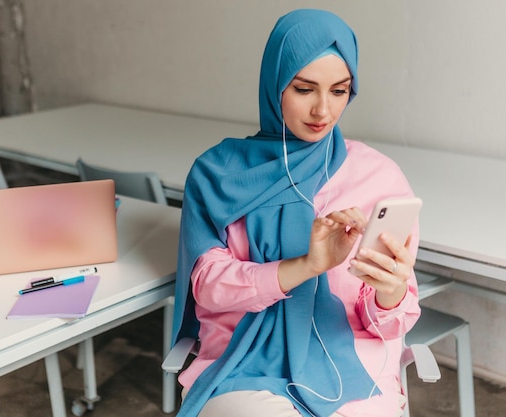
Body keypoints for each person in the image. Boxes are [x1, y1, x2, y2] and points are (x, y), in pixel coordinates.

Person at [171, 8, 421, 417]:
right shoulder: (218, 173)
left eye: (339, 91)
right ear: (275, 85)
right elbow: (209, 288)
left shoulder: (379, 176)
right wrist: (306, 265)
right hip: (242, 365)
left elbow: (389, 324)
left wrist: (390, 293)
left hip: (353, 363)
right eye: (305, 89)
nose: (323, 110)